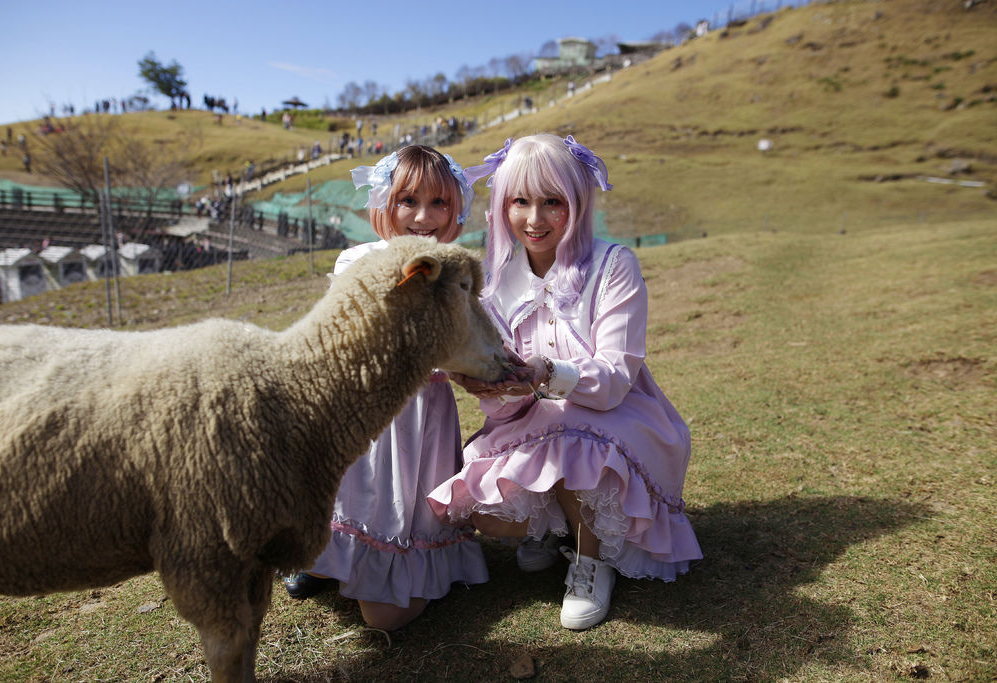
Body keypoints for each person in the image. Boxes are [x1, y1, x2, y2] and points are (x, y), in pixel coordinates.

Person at [427, 134, 702, 631]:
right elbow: (508, 406)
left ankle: (589, 562)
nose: (535, 219)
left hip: (616, 416)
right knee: (485, 512)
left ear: (577, 202)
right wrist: (493, 386)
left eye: (553, 202)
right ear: (501, 205)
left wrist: (547, 373)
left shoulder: (613, 265)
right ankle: (554, 525)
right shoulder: (493, 282)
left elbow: (616, 378)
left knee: (573, 430)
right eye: (520, 201)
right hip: (531, 422)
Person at [282, 145, 490, 631]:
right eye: (408, 201)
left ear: (456, 209)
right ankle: (324, 558)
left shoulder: (460, 267)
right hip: (366, 420)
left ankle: (408, 562)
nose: (423, 216)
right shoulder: (358, 260)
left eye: (439, 203)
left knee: (386, 621)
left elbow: (473, 347)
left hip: (422, 428)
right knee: (337, 509)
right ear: (383, 202)